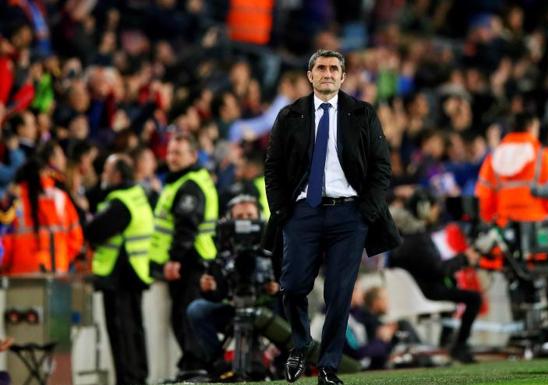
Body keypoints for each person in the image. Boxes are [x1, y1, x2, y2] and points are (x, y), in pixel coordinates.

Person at [264, 49, 400, 385]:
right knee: (293, 286)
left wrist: (366, 212)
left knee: (339, 293)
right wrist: (283, 209)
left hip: (349, 215)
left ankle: (328, 367)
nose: (327, 73)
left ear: (343, 76)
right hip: (302, 213)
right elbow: (273, 167)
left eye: (334, 68)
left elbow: (382, 166)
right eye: (321, 68)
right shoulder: (289, 115)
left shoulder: (362, 113)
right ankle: (300, 343)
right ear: (310, 75)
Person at [474, 112, 548, 322]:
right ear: (532, 126)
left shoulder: (494, 158)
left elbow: (483, 198)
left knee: (516, 282)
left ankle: (522, 328)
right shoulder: (542, 155)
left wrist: (493, 222)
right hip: (540, 234)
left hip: (508, 235)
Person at [185, 195, 280, 379]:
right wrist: (208, 288)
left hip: (269, 308)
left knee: (292, 305)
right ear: (229, 219)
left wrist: (278, 288)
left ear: (260, 217)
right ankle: (219, 364)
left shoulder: (275, 246)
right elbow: (218, 294)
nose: (245, 221)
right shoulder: (222, 251)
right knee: (196, 309)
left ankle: (284, 362)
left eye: (250, 215)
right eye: (240, 216)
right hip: (234, 307)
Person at [148, 133, 219, 376]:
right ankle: (194, 366)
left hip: (191, 261)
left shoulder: (189, 185)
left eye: (178, 153)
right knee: (185, 318)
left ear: (193, 155)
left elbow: (187, 225)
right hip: (193, 260)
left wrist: (175, 259)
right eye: (170, 152)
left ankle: (197, 368)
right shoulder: (182, 181)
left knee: (187, 318)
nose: (172, 158)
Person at [388, 188, 482, 363]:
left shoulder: (400, 234)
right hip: (427, 292)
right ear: (423, 209)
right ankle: (459, 346)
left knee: (452, 285)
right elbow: (438, 269)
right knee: (474, 298)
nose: (437, 211)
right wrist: (464, 259)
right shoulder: (417, 237)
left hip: (417, 290)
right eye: (434, 206)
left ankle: (446, 343)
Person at [84, 154, 152, 385]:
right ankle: (138, 377)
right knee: (134, 331)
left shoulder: (120, 203)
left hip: (119, 276)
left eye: (107, 170)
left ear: (118, 174)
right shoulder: (137, 195)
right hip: (134, 273)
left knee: (122, 335)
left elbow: (93, 230)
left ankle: (129, 380)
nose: (103, 175)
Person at [1, 158, 83, 274]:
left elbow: (5, 243)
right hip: (56, 272)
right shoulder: (61, 198)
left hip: (21, 275)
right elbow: (76, 239)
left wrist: (5, 270)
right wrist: (62, 258)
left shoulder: (15, 200)